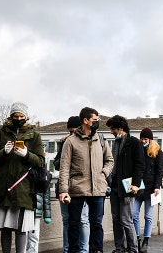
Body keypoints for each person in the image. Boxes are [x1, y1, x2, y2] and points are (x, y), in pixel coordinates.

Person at [0, 102, 44, 253]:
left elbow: (40, 161)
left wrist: (26, 154)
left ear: (26, 117)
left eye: (21, 116)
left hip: (24, 188)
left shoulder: (35, 135)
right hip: (3, 187)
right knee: (5, 228)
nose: (18, 118)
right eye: (16, 116)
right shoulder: (0, 133)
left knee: (20, 229)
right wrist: (3, 152)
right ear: (11, 117)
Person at [59, 107, 114, 253]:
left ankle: (97, 250)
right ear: (85, 121)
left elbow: (110, 160)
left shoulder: (101, 139)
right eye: (95, 120)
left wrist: (103, 173)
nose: (97, 122)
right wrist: (63, 190)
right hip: (77, 188)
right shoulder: (70, 142)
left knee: (96, 224)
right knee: (74, 224)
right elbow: (64, 167)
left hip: (98, 189)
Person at [104, 115, 145, 253]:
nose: (111, 132)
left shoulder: (134, 143)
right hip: (114, 186)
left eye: (113, 129)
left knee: (125, 219)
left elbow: (140, 165)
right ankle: (119, 247)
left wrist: (136, 184)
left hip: (127, 187)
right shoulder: (116, 143)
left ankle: (133, 248)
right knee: (116, 219)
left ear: (121, 128)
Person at [54, 116, 90, 253]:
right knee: (66, 220)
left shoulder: (87, 142)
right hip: (64, 187)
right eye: (70, 132)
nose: (72, 134)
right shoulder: (65, 143)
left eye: (74, 131)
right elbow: (56, 164)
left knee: (83, 219)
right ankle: (67, 249)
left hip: (81, 187)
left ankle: (83, 249)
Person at [132, 128, 163, 253]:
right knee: (133, 214)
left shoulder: (157, 151)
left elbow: (159, 170)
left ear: (150, 139)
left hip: (151, 189)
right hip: (139, 187)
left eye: (146, 139)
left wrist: (157, 186)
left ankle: (146, 241)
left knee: (148, 216)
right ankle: (137, 238)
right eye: (142, 139)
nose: (143, 141)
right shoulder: (138, 150)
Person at [26, 184, 52, 253]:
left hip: (36, 210)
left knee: (33, 236)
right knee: (24, 236)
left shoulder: (43, 174)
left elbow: (46, 196)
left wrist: (47, 215)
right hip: (25, 208)